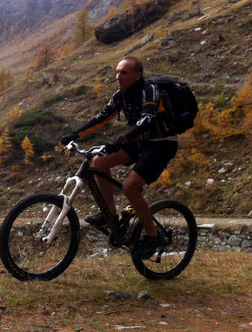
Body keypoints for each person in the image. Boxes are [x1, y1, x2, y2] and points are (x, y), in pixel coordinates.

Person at [61, 56, 178, 259]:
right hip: (139, 141)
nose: (118, 76)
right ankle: (111, 217)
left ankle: (153, 236)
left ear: (137, 75)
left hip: (161, 144)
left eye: (124, 72)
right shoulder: (121, 95)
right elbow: (102, 116)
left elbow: (147, 120)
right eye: (117, 72)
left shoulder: (149, 91)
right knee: (99, 162)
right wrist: (76, 134)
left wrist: (121, 140)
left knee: (130, 187)